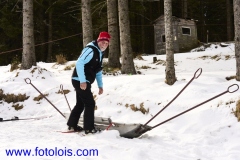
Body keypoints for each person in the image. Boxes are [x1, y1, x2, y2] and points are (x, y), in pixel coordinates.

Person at [67, 31, 110, 134]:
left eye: (106, 43)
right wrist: (82, 80)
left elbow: (98, 71)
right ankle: (89, 128)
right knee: (90, 103)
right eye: (102, 42)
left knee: (80, 104)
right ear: (98, 41)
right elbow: (79, 63)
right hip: (79, 80)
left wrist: (100, 86)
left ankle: (72, 125)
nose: (104, 44)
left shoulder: (99, 53)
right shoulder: (90, 50)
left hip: (84, 81)